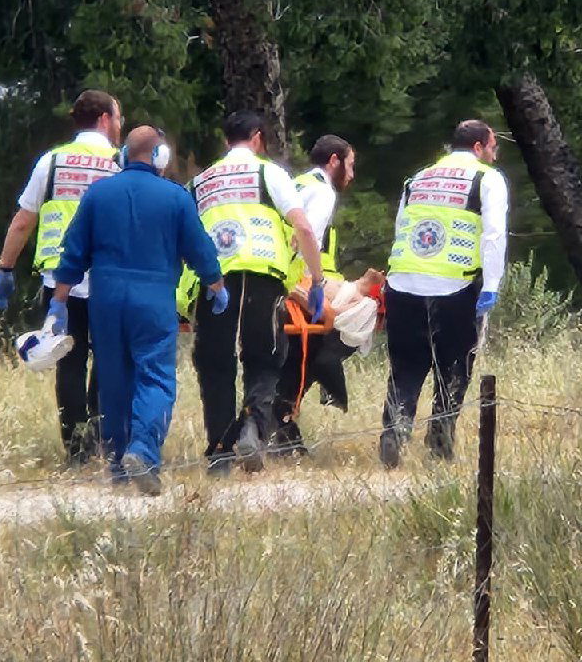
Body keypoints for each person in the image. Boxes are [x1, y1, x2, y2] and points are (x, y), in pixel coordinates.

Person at [51, 125, 227, 495]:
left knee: (114, 380)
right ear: (160, 156)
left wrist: (60, 301)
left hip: (106, 300)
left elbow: (72, 252)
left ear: (124, 155)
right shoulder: (175, 197)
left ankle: (117, 467)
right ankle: (143, 452)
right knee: (155, 376)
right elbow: (201, 251)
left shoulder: (98, 194)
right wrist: (216, 284)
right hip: (153, 298)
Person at [189, 111, 327, 473]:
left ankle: (219, 453)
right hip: (262, 276)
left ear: (225, 142)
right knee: (265, 358)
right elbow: (304, 228)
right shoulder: (269, 173)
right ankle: (252, 426)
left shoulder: (202, 180)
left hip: (213, 279)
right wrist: (318, 280)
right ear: (257, 138)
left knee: (215, 364)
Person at [0, 89, 122, 465]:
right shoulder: (120, 161)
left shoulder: (52, 161)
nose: (119, 125)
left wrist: (5, 268)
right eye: (118, 118)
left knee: (69, 360)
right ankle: (100, 437)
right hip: (109, 276)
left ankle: (76, 450)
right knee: (108, 358)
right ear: (103, 119)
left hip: (59, 281)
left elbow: (23, 220)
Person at [379, 119, 508, 468]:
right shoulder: (487, 179)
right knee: (453, 369)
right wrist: (491, 286)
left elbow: (399, 230)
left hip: (403, 285)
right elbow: (493, 235)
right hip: (455, 286)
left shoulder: (417, 179)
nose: (495, 155)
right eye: (494, 147)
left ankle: (394, 433)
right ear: (479, 147)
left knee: (405, 368)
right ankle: (439, 442)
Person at [273, 134, 358, 451]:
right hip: (295, 282)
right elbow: (305, 240)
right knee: (344, 327)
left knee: (287, 360)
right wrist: (311, 290)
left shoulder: (296, 185)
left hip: (274, 278)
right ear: (333, 161)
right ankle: (285, 420)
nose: (351, 175)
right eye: (349, 166)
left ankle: (280, 426)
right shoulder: (322, 193)